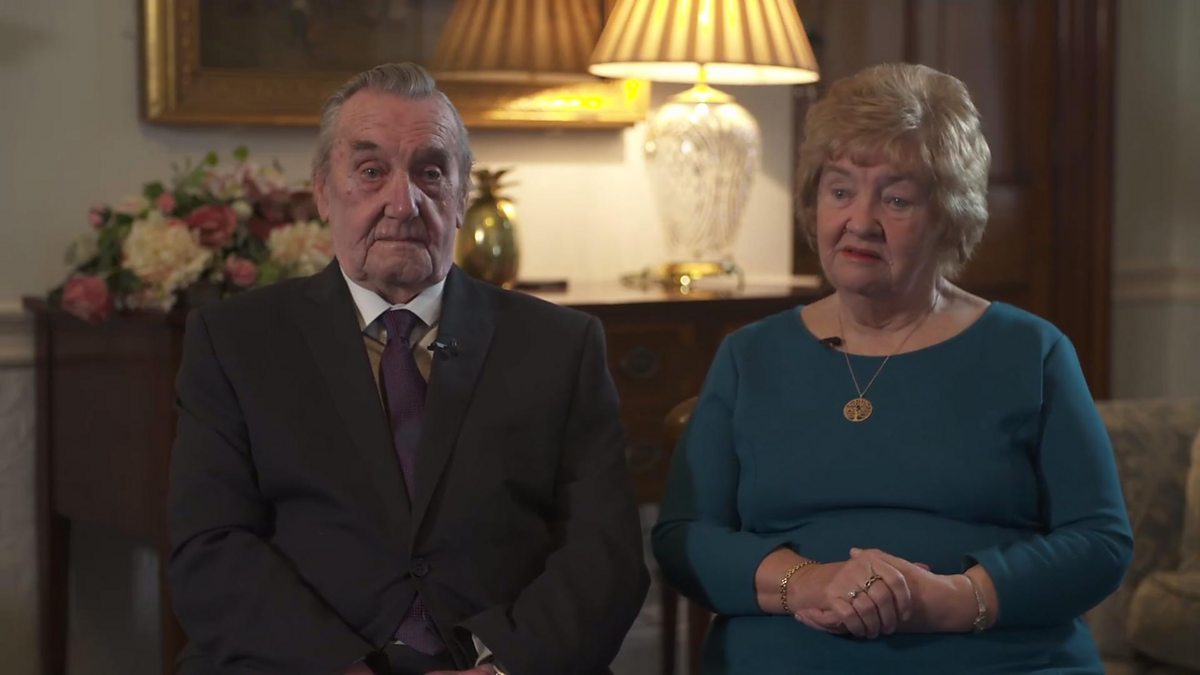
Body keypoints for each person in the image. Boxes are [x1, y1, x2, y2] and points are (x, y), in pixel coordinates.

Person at [168, 62, 648, 675]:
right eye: (371, 171)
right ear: (323, 192)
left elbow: (603, 551)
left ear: (462, 195)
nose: (403, 202)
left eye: (431, 172)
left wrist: (503, 667)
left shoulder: (561, 345)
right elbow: (210, 548)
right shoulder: (235, 342)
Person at [652, 62, 1133, 674]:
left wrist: (953, 600)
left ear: (948, 217)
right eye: (840, 191)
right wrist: (810, 582)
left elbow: (1098, 541)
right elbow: (684, 537)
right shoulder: (750, 356)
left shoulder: (1030, 351)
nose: (860, 222)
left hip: (1001, 657)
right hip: (791, 655)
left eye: (897, 199)